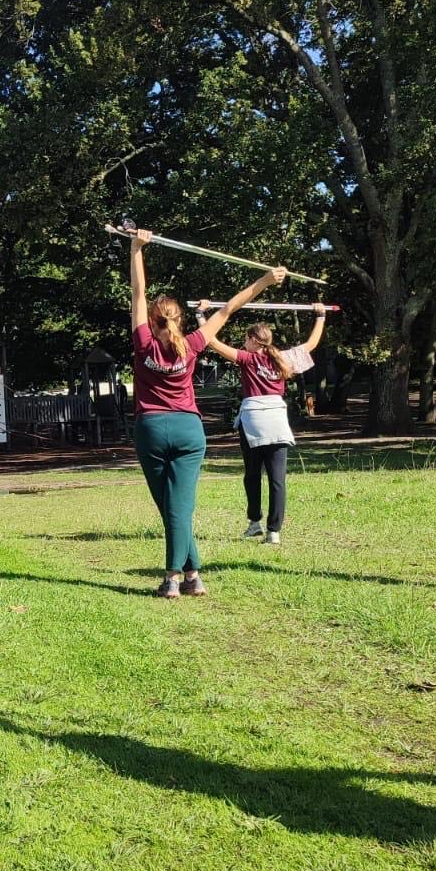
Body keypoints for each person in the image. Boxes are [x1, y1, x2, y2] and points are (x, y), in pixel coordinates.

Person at [129, 230, 286, 598]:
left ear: (153, 322)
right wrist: (265, 279)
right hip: (188, 430)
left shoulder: (143, 341)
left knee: (172, 508)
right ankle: (193, 574)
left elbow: (138, 292)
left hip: (151, 429)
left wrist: (136, 250)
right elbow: (230, 307)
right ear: (181, 320)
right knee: (177, 507)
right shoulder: (195, 343)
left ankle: (171, 578)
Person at [197, 303, 328, 544]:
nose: (243, 343)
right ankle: (274, 531)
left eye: (246, 339)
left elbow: (212, 342)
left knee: (252, 474)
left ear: (252, 340)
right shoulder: (282, 359)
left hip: (254, 421)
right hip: (277, 420)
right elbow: (311, 345)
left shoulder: (247, 359)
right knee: (277, 479)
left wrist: (201, 315)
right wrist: (320, 316)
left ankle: (254, 521)